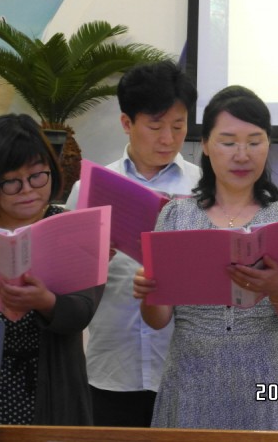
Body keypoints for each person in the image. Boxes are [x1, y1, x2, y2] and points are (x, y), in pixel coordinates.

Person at [132, 85, 278, 431]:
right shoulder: (176, 216)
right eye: (228, 142)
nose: (242, 155)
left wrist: (276, 286)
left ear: (268, 143)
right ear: (205, 144)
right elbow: (158, 320)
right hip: (192, 379)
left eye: (255, 141)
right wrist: (150, 292)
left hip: (270, 375)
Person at [65, 60, 200, 427]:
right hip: (111, 369)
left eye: (179, 126)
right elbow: (66, 284)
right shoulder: (89, 190)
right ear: (127, 123)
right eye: (155, 126)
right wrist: (91, 258)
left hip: (184, 371)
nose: (168, 138)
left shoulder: (202, 190)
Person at [0, 113, 103, 424]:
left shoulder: (72, 227)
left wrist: (46, 302)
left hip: (53, 388)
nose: (28, 190)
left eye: (38, 176)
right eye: (11, 181)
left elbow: (82, 311)